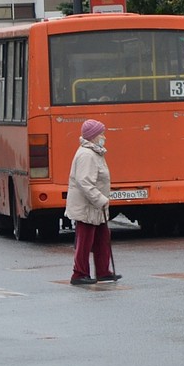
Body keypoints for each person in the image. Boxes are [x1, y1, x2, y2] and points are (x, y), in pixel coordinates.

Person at [65, 119, 119, 285]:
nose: (104, 136)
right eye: (101, 133)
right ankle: (79, 273)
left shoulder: (95, 152)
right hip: (88, 206)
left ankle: (103, 271)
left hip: (95, 206)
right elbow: (84, 182)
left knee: (103, 238)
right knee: (85, 240)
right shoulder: (87, 155)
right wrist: (100, 199)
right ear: (93, 136)